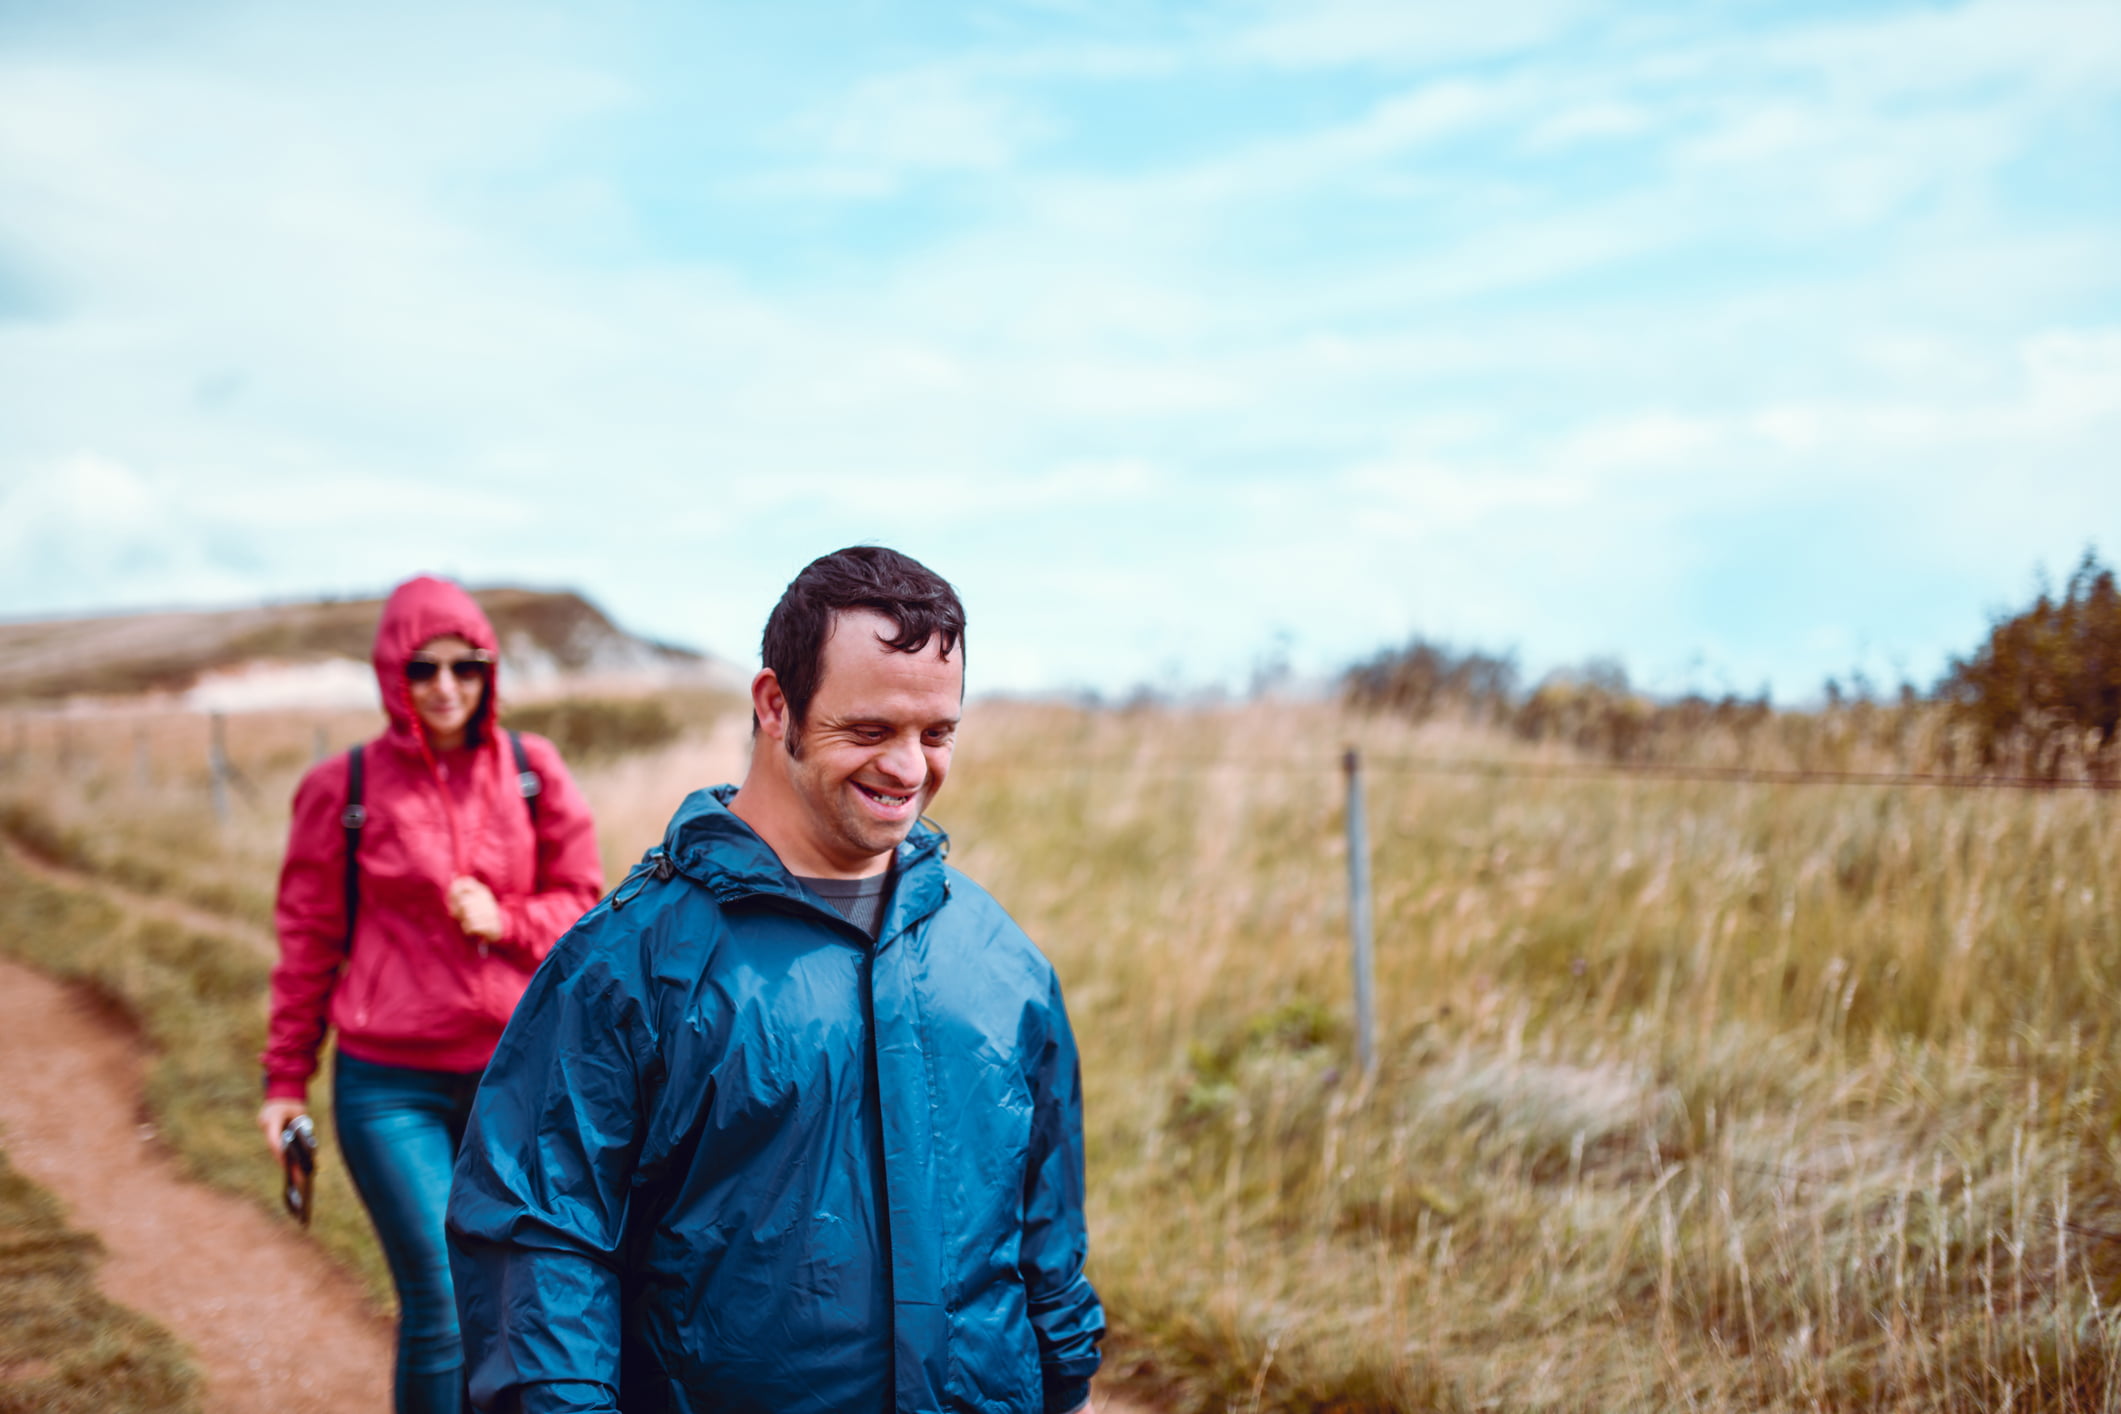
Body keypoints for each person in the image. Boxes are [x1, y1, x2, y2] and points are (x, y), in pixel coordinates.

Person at [447, 546, 1105, 1414]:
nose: (908, 770)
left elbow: (1044, 1232)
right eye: (868, 731)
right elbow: (538, 1244)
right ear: (774, 704)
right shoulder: (628, 966)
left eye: (935, 734)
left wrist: (1065, 1380)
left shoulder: (996, 959)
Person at [259, 575, 604, 1414]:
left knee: (517, 1310)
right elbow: (309, 944)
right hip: (388, 1087)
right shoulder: (341, 791)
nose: (445, 687)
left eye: (466, 666)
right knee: (444, 1301)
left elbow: (589, 908)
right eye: (423, 669)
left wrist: (506, 918)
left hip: (513, 1083)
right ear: (392, 675)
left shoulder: (533, 771)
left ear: (489, 672)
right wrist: (282, 1083)